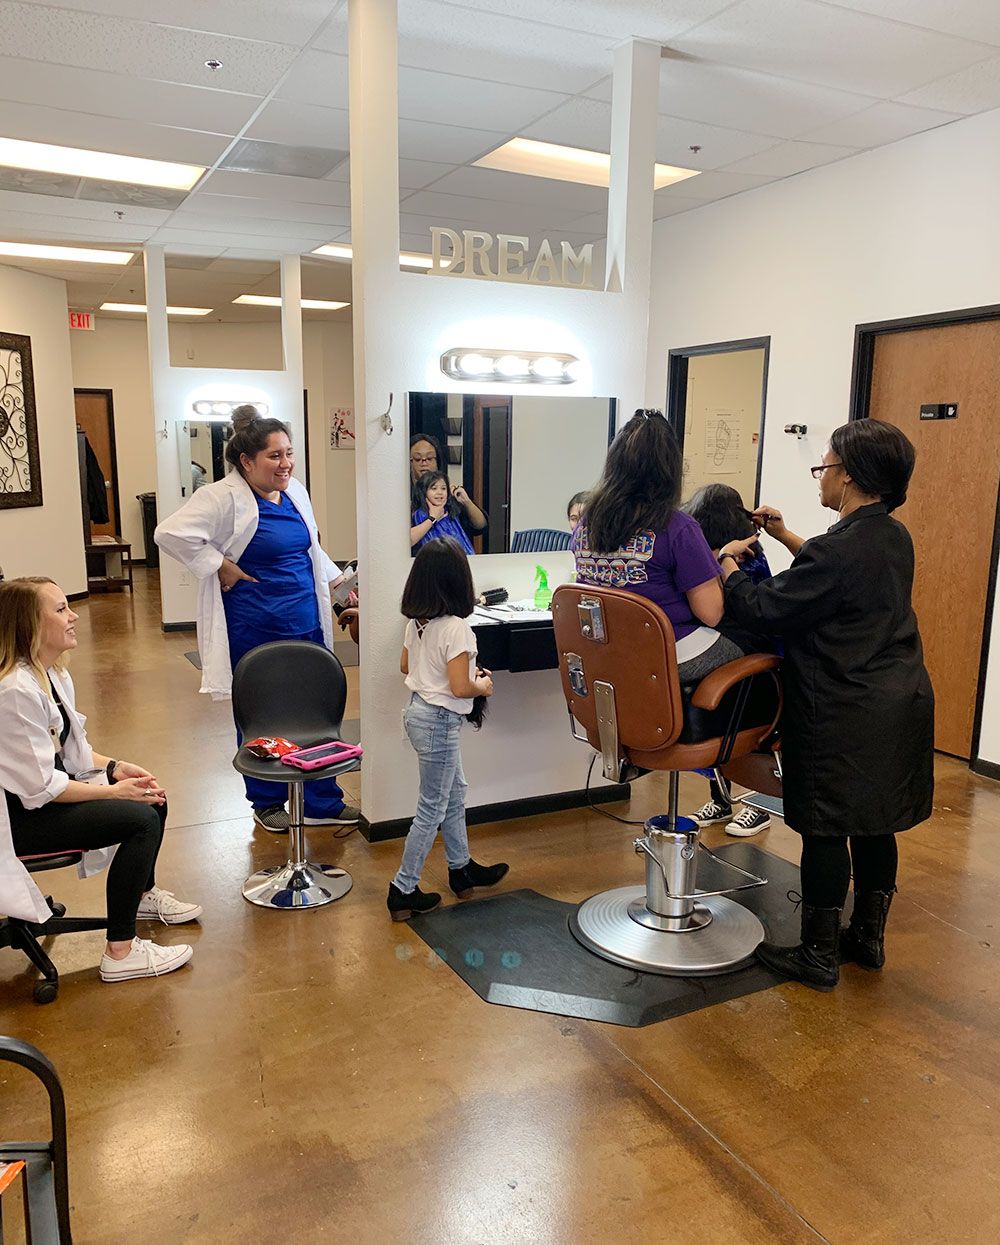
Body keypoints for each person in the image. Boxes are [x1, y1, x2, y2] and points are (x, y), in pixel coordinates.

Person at [717, 419, 934, 990]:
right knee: (874, 824)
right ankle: (866, 938)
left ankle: (817, 954)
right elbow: (832, 575)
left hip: (844, 708)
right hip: (898, 699)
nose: (821, 476)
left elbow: (767, 608)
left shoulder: (840, 552)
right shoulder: (891, 535)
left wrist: (728, 569)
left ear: (852, 476)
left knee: (824, 826)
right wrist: (788, 538)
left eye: (826, 467)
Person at [155, 406, 359, 834]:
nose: (285, 464)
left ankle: (322, 798)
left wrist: (339, 584)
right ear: (247, 461)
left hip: (305, 621)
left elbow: (309, 548)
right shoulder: (221, 497)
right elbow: (169, 533)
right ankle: (266, 801)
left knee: (314, 709)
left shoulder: (295, 493)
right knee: (261, 714)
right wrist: (219, 564)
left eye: (288, 453)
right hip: (255, 625)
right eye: (274, 456)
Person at [0, 578, 200, 983]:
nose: (73, 615)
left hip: (38, 800)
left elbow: (74, 750)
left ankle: (141, 897)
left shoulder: (50, 674)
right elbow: (42, 787)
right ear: (28, 626)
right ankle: (120, 952)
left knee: (151, 797)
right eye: (59, 610)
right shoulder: (15, 691)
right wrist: (112, 792)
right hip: (20, 820)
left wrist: (117, 767)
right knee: (139, 819)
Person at [573, 410, 742, 685]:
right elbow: (711, 614)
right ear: (669, 468)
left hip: (609, 656)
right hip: (667, 653)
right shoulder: (678, 527)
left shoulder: (585, 525)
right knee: (759, 645)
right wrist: (722, 561)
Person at [388, 538, 508, 920]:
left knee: (455, 793)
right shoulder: (457, 628)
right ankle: (402, 888)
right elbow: (460, 688)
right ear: (458, 581)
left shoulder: (417, 623)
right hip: (439, 721)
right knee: (432, 808)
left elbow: (408, 667)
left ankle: (461, 868)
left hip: (419, 714)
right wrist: (482, 685)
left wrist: (448, 676)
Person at [680, 482, 776, 837]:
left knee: (742, 725)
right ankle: (721, 799)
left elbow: (751, 609)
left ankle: (757, 805)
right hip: (720, 646)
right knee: (712, 718)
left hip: (752, 651)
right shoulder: (704, 554)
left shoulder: (748, 557)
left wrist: (724, 562)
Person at [408, 432, 487, 537]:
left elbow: (480, 526)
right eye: (418, 459)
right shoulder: (403, 497)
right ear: (409, 463)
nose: (424, 463)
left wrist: (467, 502)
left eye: (430, 458)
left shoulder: (449, 493)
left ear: (437, 462)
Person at [411, 470, 475, 555]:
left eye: (443, 488)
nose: (440, 492)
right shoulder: (420, 514)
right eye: (434, 488)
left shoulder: (451, 510)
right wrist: (433, 518)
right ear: (424, 491)